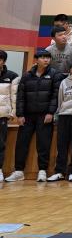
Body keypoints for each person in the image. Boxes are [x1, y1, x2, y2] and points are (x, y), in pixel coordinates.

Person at [5, 51, 62, 183]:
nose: (46, 60)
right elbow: (20, 96)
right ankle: (19, 171)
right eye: (43, 57)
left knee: (43, 144)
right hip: (27, 115)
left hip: (45, 115)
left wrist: (50, 112)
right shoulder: (27, 75)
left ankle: (42, 171)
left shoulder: (55, 74)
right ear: (36, 60)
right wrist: (20, 114)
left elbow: (55, 96)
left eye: (48, 58)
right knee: (21, 143)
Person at [0, 50, 19, 182]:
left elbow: (14, 96)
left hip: (2, 115)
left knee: (0, 144)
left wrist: (13, 113)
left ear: (4, 61)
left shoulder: (12, 76)